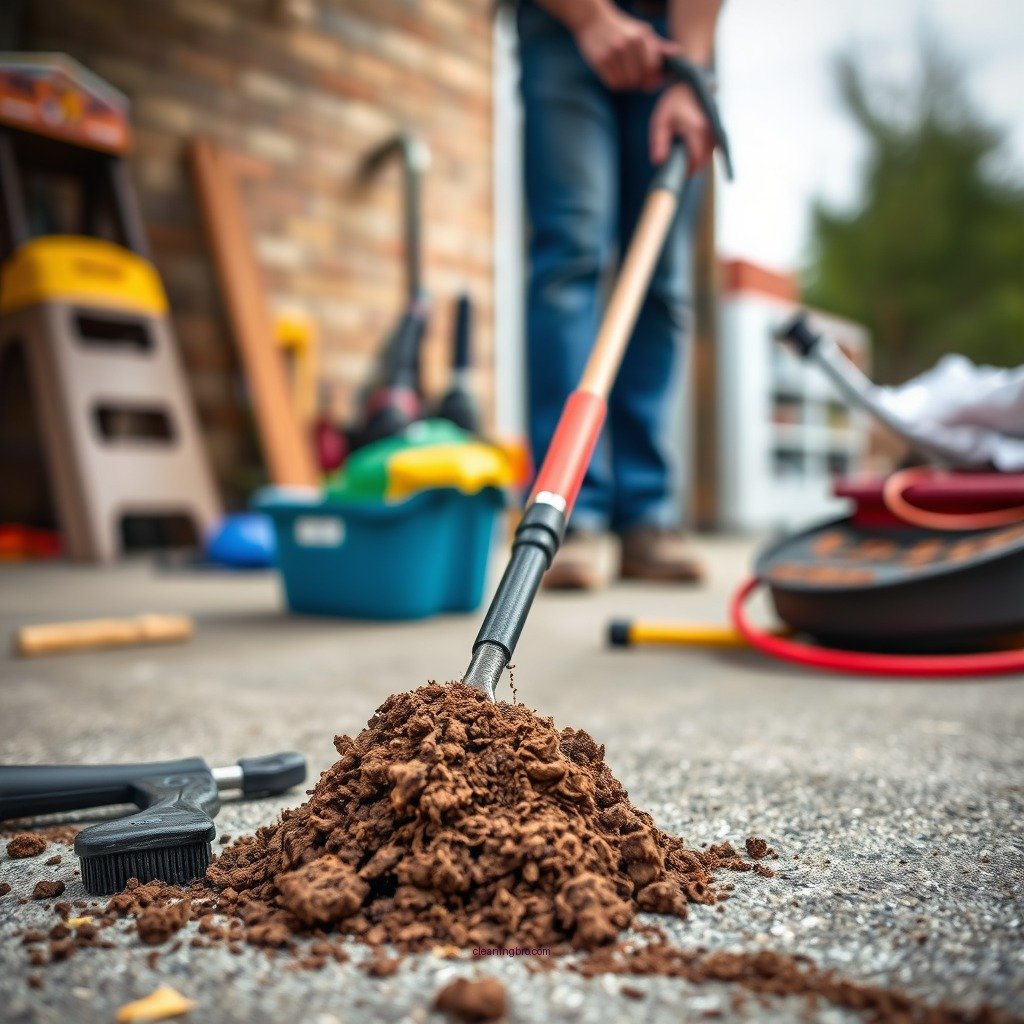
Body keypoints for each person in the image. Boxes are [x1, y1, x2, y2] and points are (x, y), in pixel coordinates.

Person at [518, 0, 722, 588]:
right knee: (569, 259)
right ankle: (569, 518)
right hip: (560, 27)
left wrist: (696, 69)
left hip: (677, 41)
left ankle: (645, 515)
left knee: (661, 281)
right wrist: (588, 19)